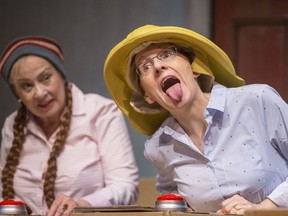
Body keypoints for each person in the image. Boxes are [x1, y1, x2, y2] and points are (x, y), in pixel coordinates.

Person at [103, 24, 288, 215]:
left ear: (194, 69)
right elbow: (171, 196)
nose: (158, 66)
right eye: (146, 67)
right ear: (148, 95)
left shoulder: (257, 101)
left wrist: (263, 208)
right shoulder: (158, 147)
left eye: (167, 55)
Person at [0, 36, 139, 216]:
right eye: (27, 86)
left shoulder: (101, 112)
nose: (40, 93)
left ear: (61, 74)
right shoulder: (12, 125)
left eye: (46, 78)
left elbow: (126, 186)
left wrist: (82, 204)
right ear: (17, 93)